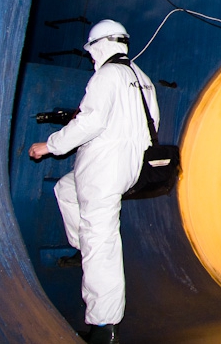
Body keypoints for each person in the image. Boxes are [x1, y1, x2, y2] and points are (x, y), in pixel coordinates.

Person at [29, 19, 159, 344]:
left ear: (99, 45)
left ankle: (103, 327)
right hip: (129, 167)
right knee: (65, 190)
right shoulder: (140, 78)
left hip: (103, 172)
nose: (90, 57)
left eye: (91, 50)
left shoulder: (106, 76)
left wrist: (50, 145)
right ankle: (80, 247)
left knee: (102, 243)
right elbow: (152, 122)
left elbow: (91, 122)